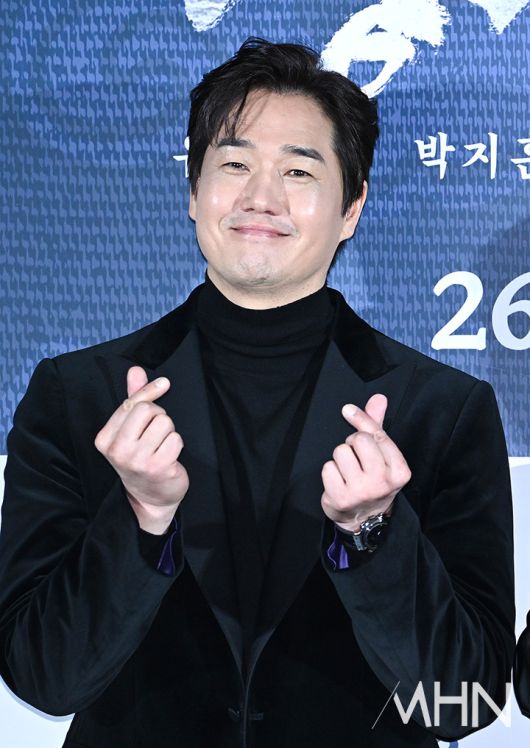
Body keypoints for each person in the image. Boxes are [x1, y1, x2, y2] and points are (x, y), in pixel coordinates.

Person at [0, 37, 515, 747]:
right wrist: (141, 517)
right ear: (193, 192)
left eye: (299, 170)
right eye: (234, 164)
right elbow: (45, 679)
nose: (261, 197)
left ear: (352, 208)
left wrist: (374, 534)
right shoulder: (78, 398)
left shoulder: (442, 412)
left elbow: (464, 702)